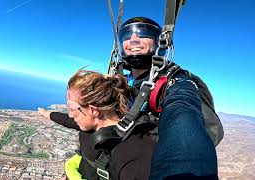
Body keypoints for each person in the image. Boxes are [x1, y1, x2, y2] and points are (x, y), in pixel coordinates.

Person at [39, 17, 219, 179]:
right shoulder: (122, 80)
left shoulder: (176, 83)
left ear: (159, 42)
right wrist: (49, 114)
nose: (133, 39)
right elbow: (89, 117)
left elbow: (183, 118)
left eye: (143, 34)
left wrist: (181, 170)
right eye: (127, 35)